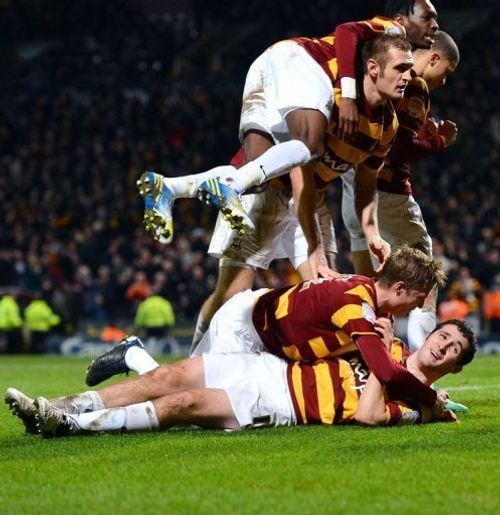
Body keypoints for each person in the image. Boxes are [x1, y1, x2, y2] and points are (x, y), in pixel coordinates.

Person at [85, 246, 446, 414]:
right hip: (244, 330)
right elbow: (383, 370)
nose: (417, 307)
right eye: (417, 298)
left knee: (186, 395)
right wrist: (430, 400)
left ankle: (132, 353)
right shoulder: (359, 308)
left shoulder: (367, 292)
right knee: (186, 399)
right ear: (398, 288)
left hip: (268, 339)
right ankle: (132, 353)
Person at [5, 319, 476, 437]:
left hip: (281, 405)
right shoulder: (384, 340)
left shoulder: (415, 405)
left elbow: (368, 416)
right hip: (274, 368)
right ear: (431, 332)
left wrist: (383, 366)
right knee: (168, 375)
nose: (444, 345)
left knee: (183, 406)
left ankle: (70, 427)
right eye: (445, 335)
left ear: (452, 366)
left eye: (453, 349)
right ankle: (60, 406)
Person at [341, 30, 459, 350]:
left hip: (353, 188)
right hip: (388, 193)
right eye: (446, 72)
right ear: (433, 58)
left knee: (370, 283)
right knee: (426, 276)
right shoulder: (415, 84)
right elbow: (402, 148)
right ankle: (421, 365)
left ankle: (368, 357)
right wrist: (439, 142)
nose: (443, 81)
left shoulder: (378, 72)